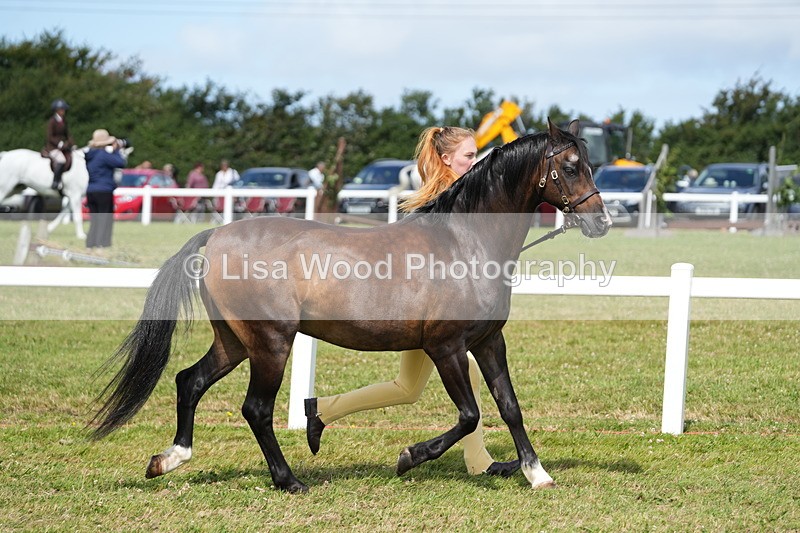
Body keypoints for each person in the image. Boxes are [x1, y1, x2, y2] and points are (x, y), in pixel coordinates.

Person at [305, 126, 517, 476]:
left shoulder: (456, 190)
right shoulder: (447, 193)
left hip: (431, 311)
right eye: (468, 155)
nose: (474, 161)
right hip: (424, 307)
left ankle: (323, 410)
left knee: (408, 387)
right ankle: (478, 462)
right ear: (447, 159)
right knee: (470, 372)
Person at [85, 129, 127, 249]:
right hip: (104, 190)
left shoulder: (90, 155)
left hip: (91, 190)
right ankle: (101, 244)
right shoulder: (103, 155)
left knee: (94, 220)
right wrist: (116, 150)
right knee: (105, 219)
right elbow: (121, 163)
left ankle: (90, 244)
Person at [44, 98, 74, 190]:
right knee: (61, 160)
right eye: (62, 109)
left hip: (63, 147)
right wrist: (59, 144)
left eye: (64, 109)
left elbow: (67, 134)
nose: (63, 111)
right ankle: (56, 181)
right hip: (53, 147)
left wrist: (71, 143)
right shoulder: (52, 121)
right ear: (57, 110)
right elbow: (50, 136)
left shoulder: (64, 120)